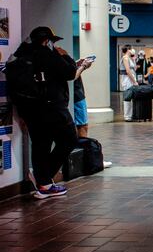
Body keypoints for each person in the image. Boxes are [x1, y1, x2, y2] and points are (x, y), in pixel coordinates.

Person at [12, 27, 78, 199]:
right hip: (52, 107)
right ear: (46, 41)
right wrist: (64, 55)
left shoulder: (21, 56)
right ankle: (43, 177)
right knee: (69, 138)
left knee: (41, 144)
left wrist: (21, 114)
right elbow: (70, 73)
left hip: (30, 110)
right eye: (52, 41)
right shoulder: (47, 54)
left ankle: (44, 184)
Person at [73, 57, 94, 138]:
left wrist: (76, 64)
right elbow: (72, 77)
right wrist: (83, 66)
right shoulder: (58, 52)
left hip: (77, 94)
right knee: (82, 126)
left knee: (82, 125)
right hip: (76, 96)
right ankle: (84, 147)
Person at [120, 46, 138, 121]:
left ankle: (130, 115)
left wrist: (134, 60)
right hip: (127, 80)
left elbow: (134, 69)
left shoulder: (129, 58)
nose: (132, 50)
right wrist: (134, 81)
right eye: (131, 49)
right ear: (128, 50)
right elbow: (128, 71)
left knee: (131, 97)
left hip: (131, 79)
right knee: (127, 97)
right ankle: (127, 116)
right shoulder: (125, 58)